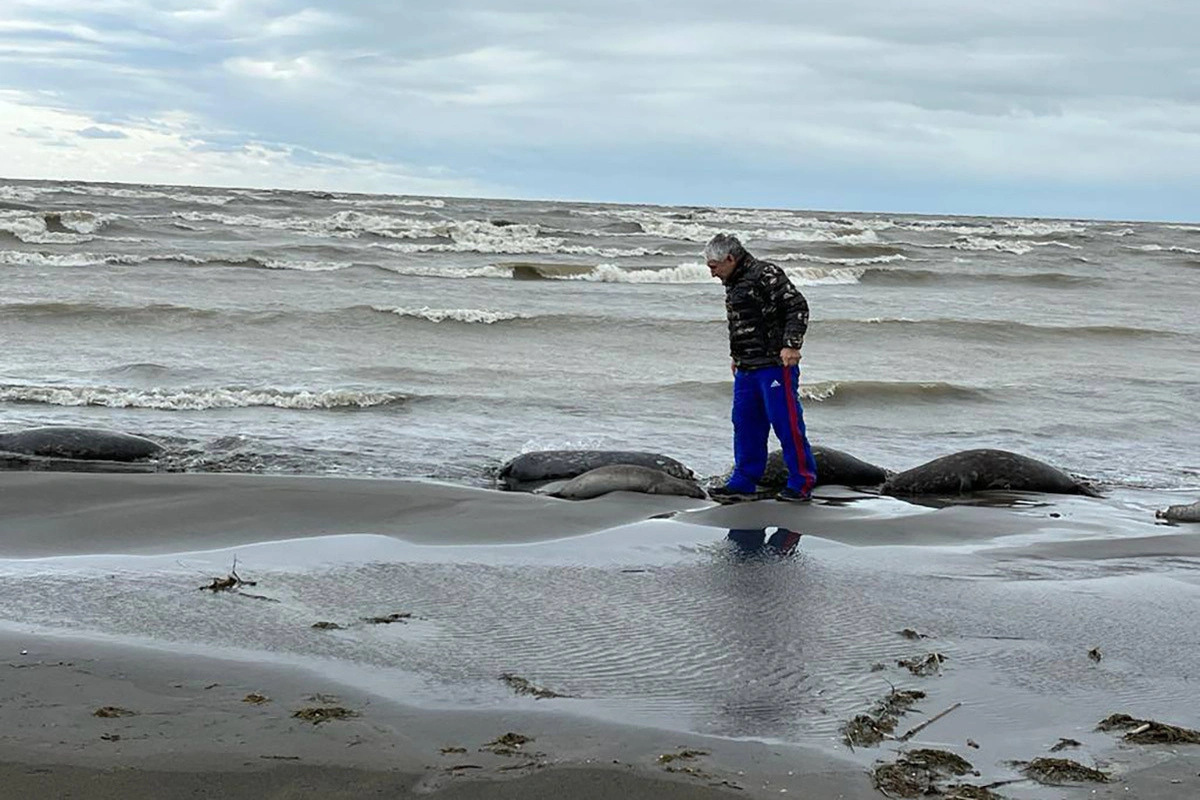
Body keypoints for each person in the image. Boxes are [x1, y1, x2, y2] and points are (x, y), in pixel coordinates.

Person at [705, 233, 818, 502]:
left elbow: (797, 306)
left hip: (775, 364)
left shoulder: (765, 273)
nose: (713, 274)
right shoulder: (733, 281)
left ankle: (801, 483)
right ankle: (743, 481)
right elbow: (742, 324)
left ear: (730, 258)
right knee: (745, 424)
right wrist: (737, 356)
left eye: (714, 267)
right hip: (746, 367)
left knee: (786, 424)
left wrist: (792, 345)